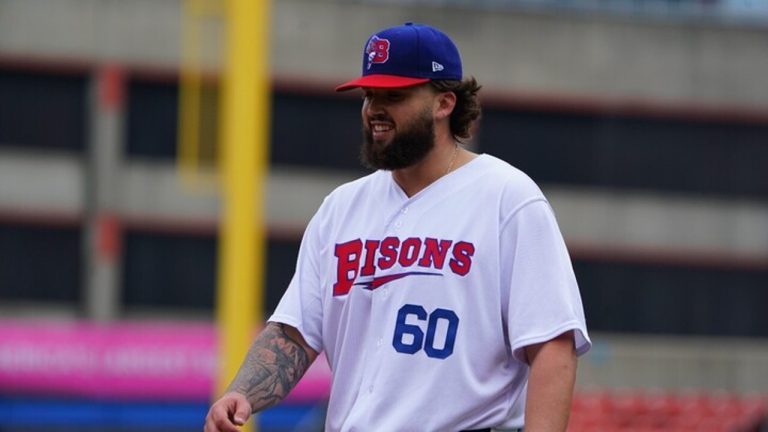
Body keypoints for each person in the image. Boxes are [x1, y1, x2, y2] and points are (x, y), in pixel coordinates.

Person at [204, 22, 591, 432]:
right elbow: (295, 334)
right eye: (370, 95)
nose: (374, 108)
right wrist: (242, 393)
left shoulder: (507, 199)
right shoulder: (341, 209)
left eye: (395, 95)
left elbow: (552, 344)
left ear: (444, 103)